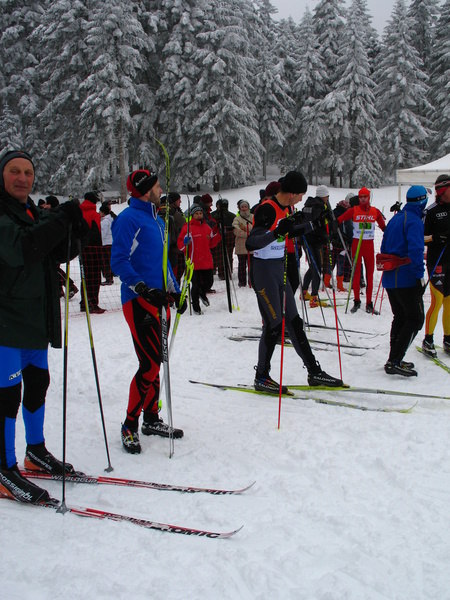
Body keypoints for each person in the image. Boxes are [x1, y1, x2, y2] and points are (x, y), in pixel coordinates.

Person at [0, 149, 85, 503]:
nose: (22, 178)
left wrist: (73, 231)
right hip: (7, 323)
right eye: (14, 171)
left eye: (28, 172)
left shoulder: (32, 212)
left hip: (35, 320)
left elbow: (53, 252)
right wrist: (58, 221)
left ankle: (35, 452)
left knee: (37, 384)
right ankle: (4, 468)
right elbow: (24, 248)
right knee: (7, 397)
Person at [246, 170, 343, 393]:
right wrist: (276, 232)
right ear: (291, 193)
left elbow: (288, 232)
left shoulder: (286, 208)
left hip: (278, 268)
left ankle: (314, 371)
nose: (301, 199)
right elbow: (252, 243)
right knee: (273, 325)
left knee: (294, 322)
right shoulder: (268, 209)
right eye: (300, 195)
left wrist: (314, 225)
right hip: (263, 273)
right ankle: (262, 377)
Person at [111, 169, 186, 454]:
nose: (160, 189)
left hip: (159, 301)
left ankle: (151, 418)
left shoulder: (156, 219)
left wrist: (174, 290)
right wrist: (142, 288)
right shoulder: (129, 219)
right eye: (156, 185)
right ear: (145, 190)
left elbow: (163, 261)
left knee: (157, 361)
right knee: (150, 363)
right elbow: (118, 261)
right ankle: (129, 425)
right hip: (138, 301)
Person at [380, 185, 428, 376]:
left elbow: (383, 246)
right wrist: (419, 276)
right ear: (422, 201)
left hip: (390, 277)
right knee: (415, 319)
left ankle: (394, 358)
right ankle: (395, 360)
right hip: (406, 277)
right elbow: (416, 250)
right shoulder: (414, 221)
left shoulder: (396, 218)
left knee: (400, 317)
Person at [338, 186, 386, 314]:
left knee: (370, 275)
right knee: (356, 274)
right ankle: (357, 301)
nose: (363, 199)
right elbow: (340, 219)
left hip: (369, 246)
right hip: (356, 245)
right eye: (361, 197)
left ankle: (369, 303)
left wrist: (390, 232)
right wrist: (334, 223)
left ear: (369, 197)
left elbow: (384, 227)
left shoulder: (375, 211)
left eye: (365, 197)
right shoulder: (354, 210)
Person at [421, 174, 450, 357]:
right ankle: (428, 339)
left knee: (449, 302)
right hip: (437, 261)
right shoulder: (431, 211)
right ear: (442, 191)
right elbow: (420, 237)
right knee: (437, 301)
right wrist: (436, 238)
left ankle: (448, 338)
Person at [177, 204, 221, 314]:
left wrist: (219, 235)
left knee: (209, 282)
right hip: (193, 262)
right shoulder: (187, 228)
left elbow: (211, 243)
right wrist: (185, 243)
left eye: (200, 213)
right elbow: (180, 246)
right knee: (195, 285)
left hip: (206, 261)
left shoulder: (207, 227)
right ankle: (196, 307)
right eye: (196, 213)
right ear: (192, 215)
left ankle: (202, 293)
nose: (199, 215)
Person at [301, 185, 332, 307]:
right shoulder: (319, 206)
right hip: (313, 240)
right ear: (323, 196)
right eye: (327, 196)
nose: (327, 198)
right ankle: (314, 297)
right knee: (317, 268)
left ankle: (304, 292)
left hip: (308, 240)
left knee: (313, 267)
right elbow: (317, 224)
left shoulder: (309, 205)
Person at [79, 191, 106, 313]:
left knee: (85, 276)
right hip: (94, 249)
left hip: (82, 248)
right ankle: (92, 303)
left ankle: (84, 302)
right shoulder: (94, 214)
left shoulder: (80, 213)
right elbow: (96, 233)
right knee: (95, 277)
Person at [211, 198, 236, 280]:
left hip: (220, 236)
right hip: (228, 236)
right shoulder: (232, 215)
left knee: (219, 255)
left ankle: (222, 273)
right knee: (228, 254)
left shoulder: (213, 215)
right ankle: (227, 272)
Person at [232, 199, 253, 287]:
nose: (244, 208)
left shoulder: (253, 217)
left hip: (251, 245)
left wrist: (246, 230)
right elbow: (236, 230)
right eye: (242, 207)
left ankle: (252, 281)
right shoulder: (237, 219)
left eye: (245, 207)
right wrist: (247, 233)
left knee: (252, 265)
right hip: (241, 245)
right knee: (242, 265)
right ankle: (242, 282)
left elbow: (256, 228)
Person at [99, 200, 115, 285]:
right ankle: (110, 277)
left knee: (105, 262)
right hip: (111, 243)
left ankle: (108, 278)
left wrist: (99, 240)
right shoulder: (111, 219)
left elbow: (103, 233)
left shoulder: (105, 221)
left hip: (106, 243)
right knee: (109, 261)